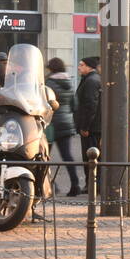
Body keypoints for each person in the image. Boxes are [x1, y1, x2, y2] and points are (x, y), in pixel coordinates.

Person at [46, 57, 82, 196]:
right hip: (66, 123)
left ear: (51, 69)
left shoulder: (49, 83)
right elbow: (75, 105)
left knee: (44, 157)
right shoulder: (69, 82)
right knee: (67, 155)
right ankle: (75, 185)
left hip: (50, 124)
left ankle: (50, 185)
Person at [75, 55, 102, 181]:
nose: (79, 68)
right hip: (94, 126)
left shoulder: (91, 81)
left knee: (90, 156)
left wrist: (85, 127)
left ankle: (92, 184)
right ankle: (92, 183)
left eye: (81, 65)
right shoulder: (90, 79)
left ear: (89, 66)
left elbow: (90, 105)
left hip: (92, 128)